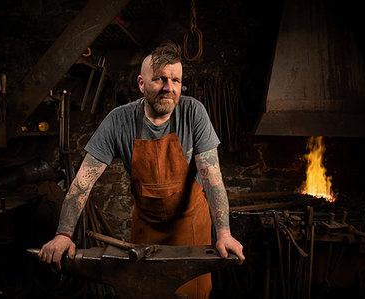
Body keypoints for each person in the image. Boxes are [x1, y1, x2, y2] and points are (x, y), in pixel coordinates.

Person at [38, 41, 245, 299]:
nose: (169, 88)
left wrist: (224, 233)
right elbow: (82, 183)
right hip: (146, 231)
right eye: (160, 79)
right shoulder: (118, 120)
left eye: (176, 81)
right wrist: (63, 234)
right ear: (141, 83)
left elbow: (212, 178)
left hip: (189, 229)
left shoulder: (193, 112)